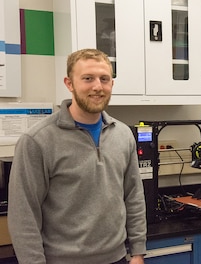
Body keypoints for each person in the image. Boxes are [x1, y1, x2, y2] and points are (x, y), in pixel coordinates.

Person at [8, 48, 147, 264]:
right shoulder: (37, 140)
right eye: (88, 78)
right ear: (69, 83)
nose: (97, 86)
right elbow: (23, 215)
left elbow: (134, 197)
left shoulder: (123, 134)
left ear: (112, 83)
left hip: (117, 257)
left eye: (104, 79)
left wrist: (137, 252)